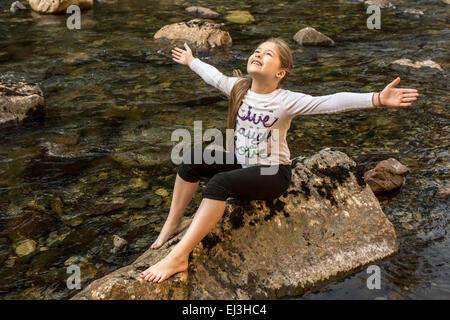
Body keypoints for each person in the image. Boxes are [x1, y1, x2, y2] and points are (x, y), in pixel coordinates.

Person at [140, 37, 419, 283]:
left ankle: (179, 256)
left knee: (219, 183)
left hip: (273, 175)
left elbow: (330, 101)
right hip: (244, 162)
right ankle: (172, 225)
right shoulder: (239, 88)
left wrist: (377, 99)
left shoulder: (286, 100)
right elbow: (213, 76)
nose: (258, 54)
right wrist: (192, 61)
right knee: (192, 160)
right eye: (257, 50)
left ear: (280, 73)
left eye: (268, 54)